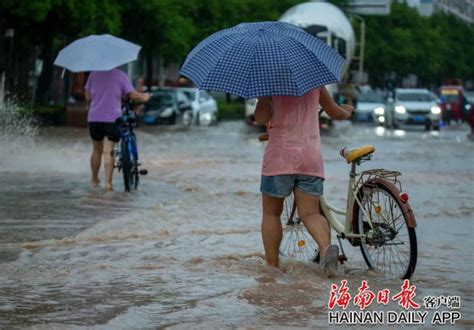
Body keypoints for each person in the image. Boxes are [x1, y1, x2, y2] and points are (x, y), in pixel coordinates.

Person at [254, 87, 353, 273]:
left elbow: (261, 118)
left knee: (272, 214)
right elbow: (334, 112)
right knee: (311, 214)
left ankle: (272, 268)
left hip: (279, 160)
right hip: (310, 158)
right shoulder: (315, 83)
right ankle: (325, 249)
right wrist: (347, 111)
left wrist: (264, 96)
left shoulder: (269, 83)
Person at [84, 69, 150, 191]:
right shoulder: (120, 75)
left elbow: (87, 97)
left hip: (94, 119)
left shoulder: (93, 74)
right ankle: (108, 184)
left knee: (96, 150)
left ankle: (94, 180)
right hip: (112, 119)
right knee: (108, 151)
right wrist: (145, 97)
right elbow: (133, 96)